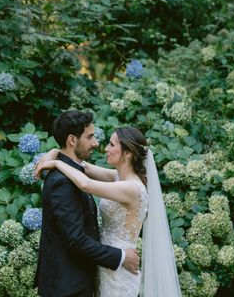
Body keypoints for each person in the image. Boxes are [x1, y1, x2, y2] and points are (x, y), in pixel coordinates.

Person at [36, 126, 181, 297]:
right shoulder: (118, 177)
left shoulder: (132, 189)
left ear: (127, 153)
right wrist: (55, 151)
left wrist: (55, 163)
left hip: (118, 269)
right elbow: (82, 166)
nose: (105, 148)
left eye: (112, 145)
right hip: (105, 262)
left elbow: (86, 184)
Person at [34, 110, 140, 297]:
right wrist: (121, 257)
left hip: (83, 280)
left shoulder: (76, 171)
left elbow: (86, 179)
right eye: (90, 137)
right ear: (72, 140)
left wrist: (56, 155)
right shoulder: (62, 181)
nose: (96, 144)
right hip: (67, 286)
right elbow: (76, 239)